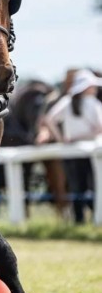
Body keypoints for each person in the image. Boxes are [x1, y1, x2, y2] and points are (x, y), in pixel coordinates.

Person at [38, 69, 102, 223]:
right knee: (94, 186)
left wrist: (61, 138)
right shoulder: (93, 103)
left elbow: (48, 119)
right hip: (92, 150)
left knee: (76, 186)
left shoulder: (66, 101)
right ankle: (96, 219)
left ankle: (79, 220)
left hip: (70, 150)